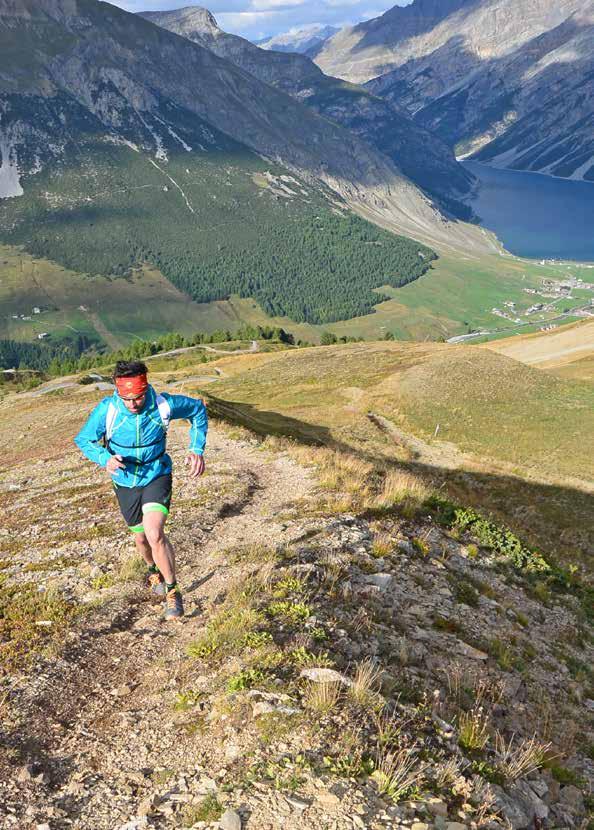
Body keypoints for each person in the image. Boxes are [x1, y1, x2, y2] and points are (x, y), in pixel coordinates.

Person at [74, 360, 207, 620]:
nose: (133, 404)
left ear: (145, 389)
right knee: (141, 539)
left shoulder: (163, 405)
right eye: (127, 399)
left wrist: (196, 448)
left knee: (154, 532)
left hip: (156, 473)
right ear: (118, 392)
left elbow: (198, 410)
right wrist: (104, 458)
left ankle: (173, 591)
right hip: (124, 480)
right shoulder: (108, 410)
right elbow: (84, 439)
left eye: (138, 397)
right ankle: (152, 570)